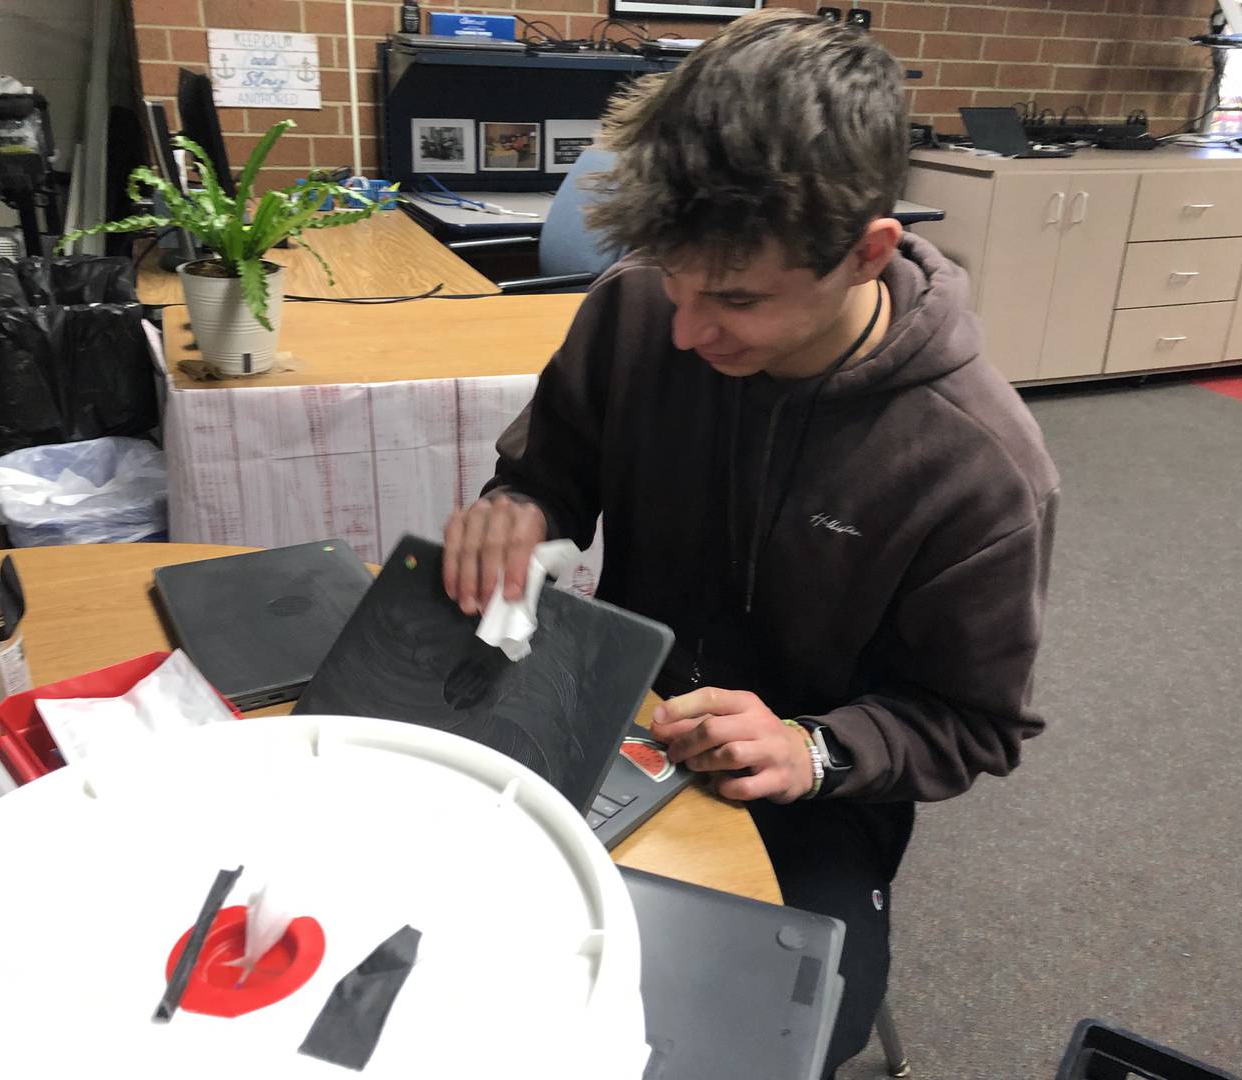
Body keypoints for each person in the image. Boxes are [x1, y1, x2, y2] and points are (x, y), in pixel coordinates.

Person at [442, 10, 1059, 1075]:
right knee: (439, 941)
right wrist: (521, 511)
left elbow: (971, 725)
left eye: (734, 298)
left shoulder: (979, 466)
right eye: (672, 280)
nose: (684, 329)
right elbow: (551, 472)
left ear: (866, 251)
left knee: (742, 1044)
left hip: (806, 802)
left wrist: (813, 748)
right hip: (611, 713)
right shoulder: (636, 309)